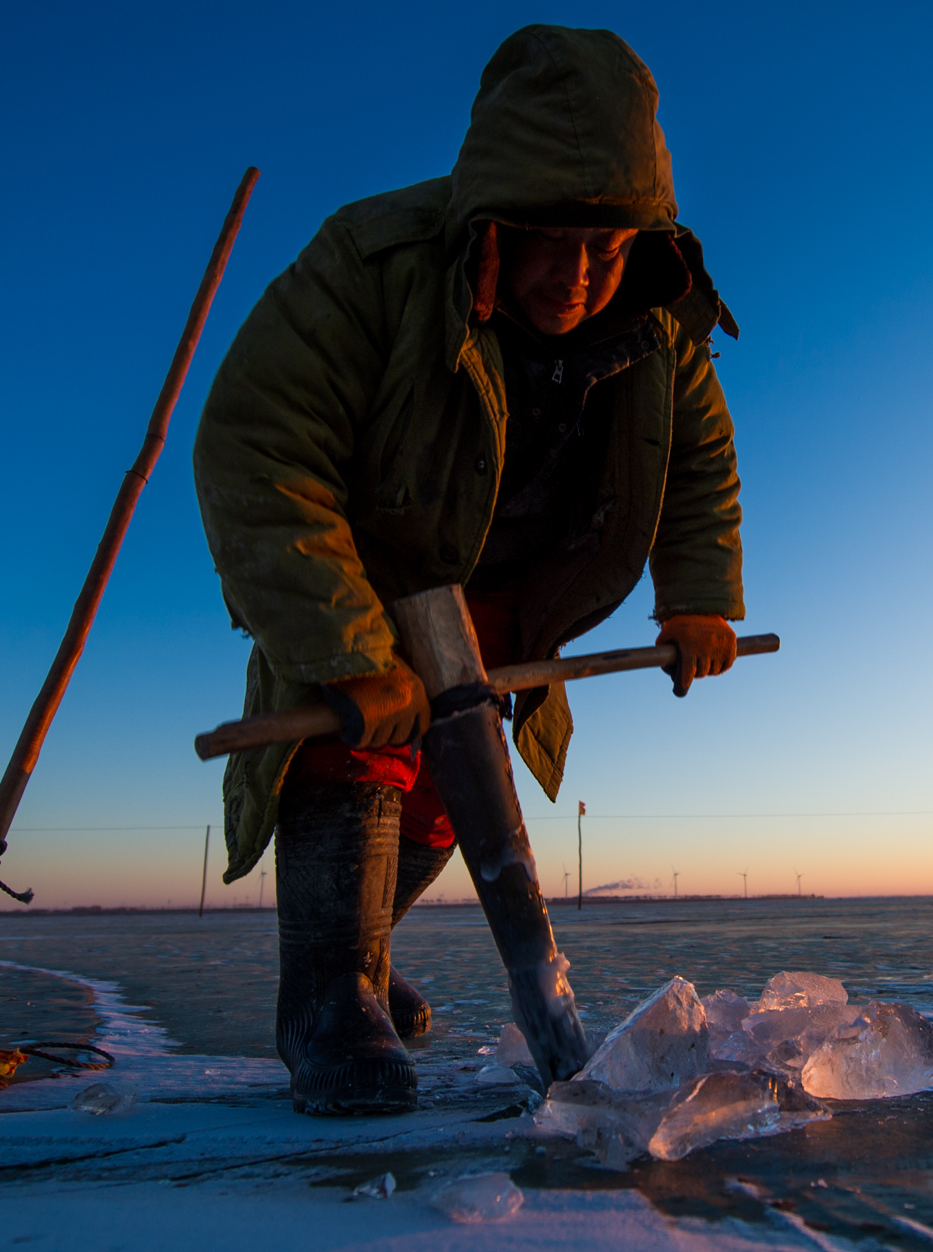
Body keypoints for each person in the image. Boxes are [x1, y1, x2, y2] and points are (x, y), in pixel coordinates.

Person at [192, 25, 744, 1114]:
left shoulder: (657, 309)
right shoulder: (372, 264)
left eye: (608, 244)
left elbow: (696, 463)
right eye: (548, 240)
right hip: (372, 574)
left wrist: (697, 597)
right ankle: (327, 1002)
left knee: (453, 789)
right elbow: (259, 448)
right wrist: (345, 649)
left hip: (512, 599)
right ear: (489, 212)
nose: (579, 275)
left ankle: (355, 951)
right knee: (360, 758)